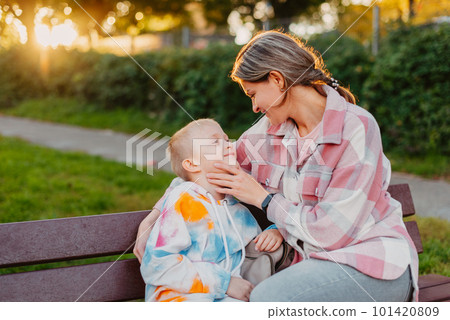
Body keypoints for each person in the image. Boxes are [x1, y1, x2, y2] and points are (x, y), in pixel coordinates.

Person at [135, 30, 419, 302]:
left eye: (253, 94)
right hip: (312, 266)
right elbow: (206, 170)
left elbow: (331, 235)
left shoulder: (356, 127)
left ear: (277, 80)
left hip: (372, 265)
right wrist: (155, 215)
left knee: (267, 299)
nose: (254, 107)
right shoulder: (267, 133)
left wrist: (265, 199)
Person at [140, 118, 283, 302]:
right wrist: (225, 282)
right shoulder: (184, 201)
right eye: (215, 142)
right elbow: (157, 264)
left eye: (226, 139)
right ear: (192, 165)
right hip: (178, 297)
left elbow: (253, 249)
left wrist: (274, 232)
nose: (228, 144)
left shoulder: (238, 210)